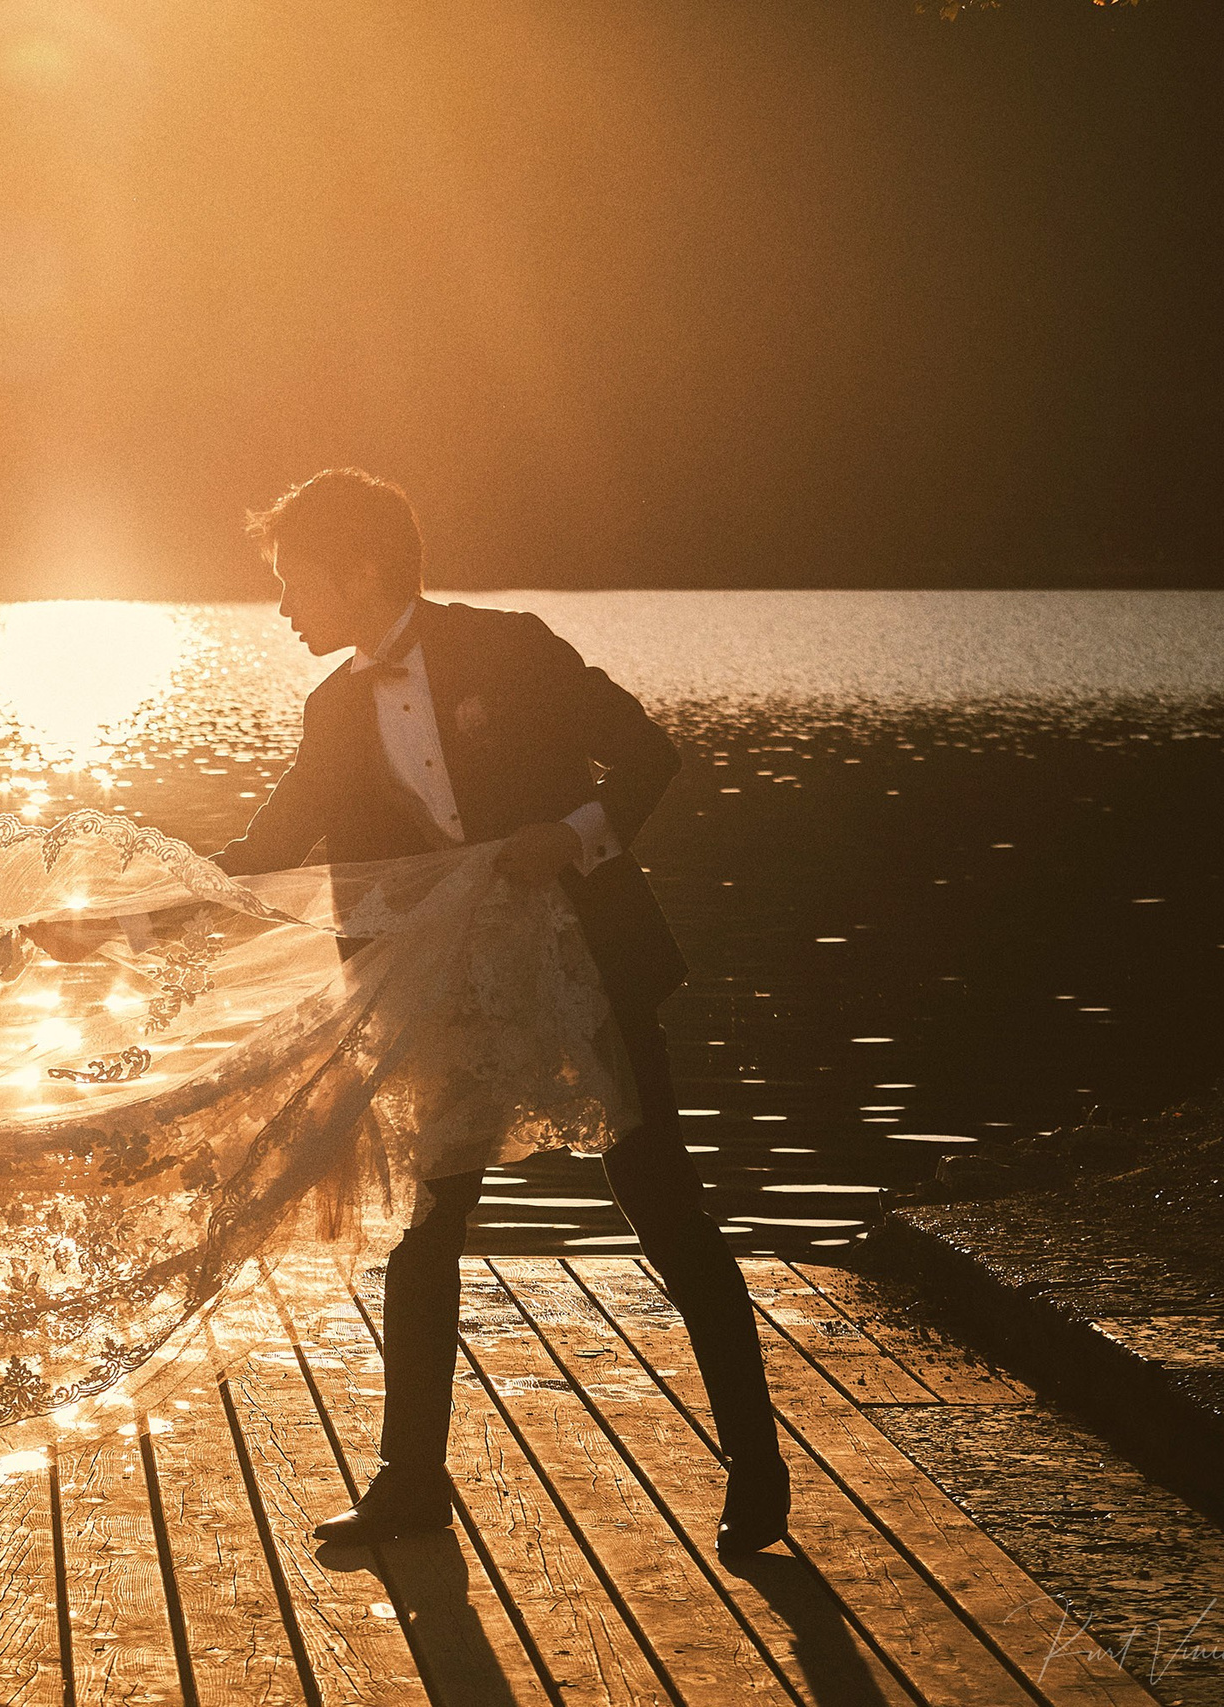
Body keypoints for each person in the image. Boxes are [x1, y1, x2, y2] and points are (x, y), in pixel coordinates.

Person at [209, 468, 791, 1555]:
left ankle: (756, 1462)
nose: (284, 607)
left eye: (295, 581)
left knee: (662, 1209)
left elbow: (650, 756)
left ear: (364, 568)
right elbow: (265, 854)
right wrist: (116, 906)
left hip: (584, 969)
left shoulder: (511, 647)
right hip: (447, 998)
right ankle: (410, 1485)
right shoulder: (333, 708)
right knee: (426, 1232)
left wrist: (571, 836)